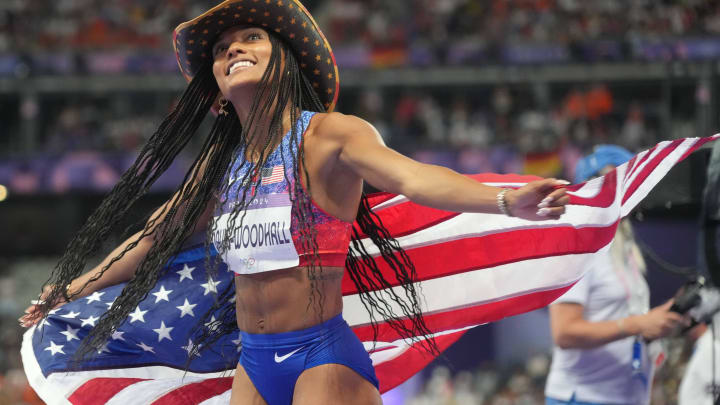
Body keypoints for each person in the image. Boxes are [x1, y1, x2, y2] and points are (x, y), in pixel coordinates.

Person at [20, 1, 570, 404]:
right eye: (219, 49)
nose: (232, 49)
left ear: (284, 60)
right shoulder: (219, 170)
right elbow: (153, 239)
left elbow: (416, 178)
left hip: (320, 357)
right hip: (252, 365)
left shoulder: (330, 136)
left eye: (251, 37)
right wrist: (68, 290)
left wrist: (503, 201)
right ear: (214, 86)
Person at [545, 145, 689, 405]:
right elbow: (564, 332)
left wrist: (665, 315)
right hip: (584, 398)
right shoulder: (577, 247)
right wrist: (638, 324)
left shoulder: (622, 244)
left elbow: (625, 314)